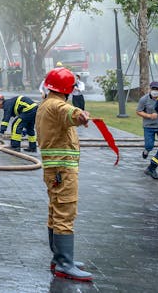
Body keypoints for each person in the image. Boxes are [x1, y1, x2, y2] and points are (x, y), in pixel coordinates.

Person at [37, 67, 93, 281]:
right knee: (65, 211)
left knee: (55, 210)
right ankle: (64, 264)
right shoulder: (57, 105)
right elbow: (70, 112)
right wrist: (81, 115)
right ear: (67, 89)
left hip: (54, 169)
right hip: (62, 169)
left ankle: (59, 257)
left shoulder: (45, 104)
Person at [135, 82, 158, 160]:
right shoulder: (144, 99)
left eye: (157, 89)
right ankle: (146, 151)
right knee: (149, 145)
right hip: (148, 126)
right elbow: (138, 111)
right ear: (149, 89)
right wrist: (149, 116)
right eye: (153, 89)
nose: (155, 91)